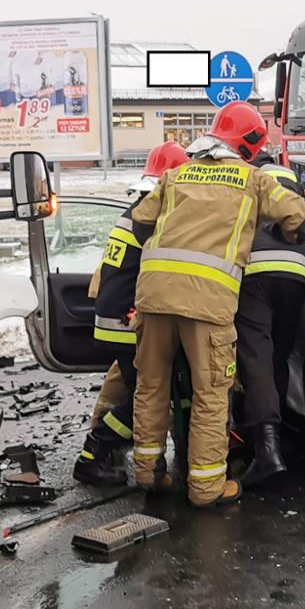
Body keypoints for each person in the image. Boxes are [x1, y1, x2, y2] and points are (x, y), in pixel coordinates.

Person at [129, 102, 305, 507]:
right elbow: (301, 218)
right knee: (211, 391)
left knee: (151, 384)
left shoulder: (175, 175)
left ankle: (148, 473)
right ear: (251, 145)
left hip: (154, 296)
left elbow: (140, 223)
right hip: (208, 303)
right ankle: (207, 488)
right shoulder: (254, 179)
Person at [72, 142, 189, 485]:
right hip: (128, 320)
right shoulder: (155, 217)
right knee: (150, 399)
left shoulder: (134, 210)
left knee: (139, 393)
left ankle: (102, 450)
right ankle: (93, 453)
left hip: (113, 316)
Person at [233, 161, 305, 486]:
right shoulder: (292, 185)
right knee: (278, 357)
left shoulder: (253, 183)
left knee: (257, 360)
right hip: (297, 274)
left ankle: (267, 451)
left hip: (255, 272)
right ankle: (277, 437)